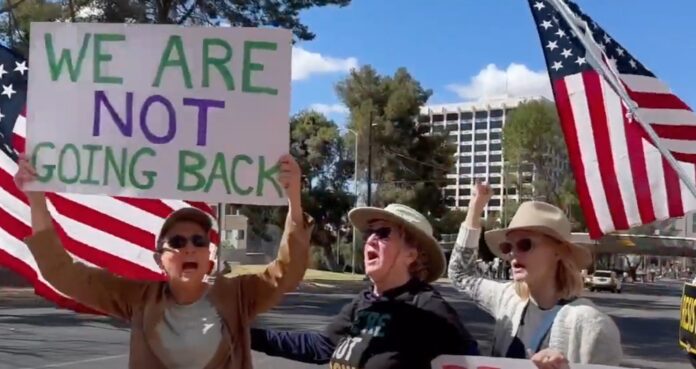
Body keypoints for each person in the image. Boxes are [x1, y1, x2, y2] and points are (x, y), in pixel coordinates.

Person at [14, 152, 313, 369]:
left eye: (199, 241)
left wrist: (294, 199)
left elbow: (287, 272)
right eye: (177, 242)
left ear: (209, 256)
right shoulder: (138, 298)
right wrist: (37, 200)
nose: (189, 249)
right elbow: (63, 274)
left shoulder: (238, 296)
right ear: (160, 260)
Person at [251, 203, 480, 368]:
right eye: (370, 233)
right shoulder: (364, 301)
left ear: (412, 254)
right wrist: (245, 335)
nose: (370, 239)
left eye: (382, 233)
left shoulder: (428, 309)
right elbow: (322, 346)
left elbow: (470, 361)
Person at [448, 183, 622, 368]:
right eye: (508, 247)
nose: (512, 254)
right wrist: (475, 208)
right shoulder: (508, 299)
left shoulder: (592, 325)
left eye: (525, 245)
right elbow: (461, 273)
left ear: (559, 252)